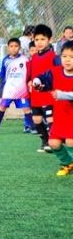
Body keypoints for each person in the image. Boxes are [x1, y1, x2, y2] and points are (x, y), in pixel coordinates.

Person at [32, 41, 73, 175]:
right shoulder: (55, 72)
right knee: (53, 143)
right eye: (64, 56)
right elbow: (43, 78)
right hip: (60, 116)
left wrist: (62, 95)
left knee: (71, 142)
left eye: (72, 57)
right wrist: (37, 82)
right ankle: (67, 164)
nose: (67, 60)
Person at [0, 38, 33, 135]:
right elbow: (2, 77)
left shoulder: (24, 59)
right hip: (9, 89)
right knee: (2, 107)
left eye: (16, 46)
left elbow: (29, 73)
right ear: (8, 48)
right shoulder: (5, 60)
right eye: (11, 46)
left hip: (21, 89)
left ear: (19, 47)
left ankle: (30, 127)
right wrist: (1, 91)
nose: (13, 48)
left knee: (26, 108)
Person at [26, 24, 60, 153]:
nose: (39, 42)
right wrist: (29, 81)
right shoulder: (33, 57)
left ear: (49, 40)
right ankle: (45, 142)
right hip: (36, 95)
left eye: (42, 39)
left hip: (48, 94)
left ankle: (54, 142)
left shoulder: (53, 56)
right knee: (36, 119)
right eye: (37, 40)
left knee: (50, 119)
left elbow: (57, 74)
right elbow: (31, 74)